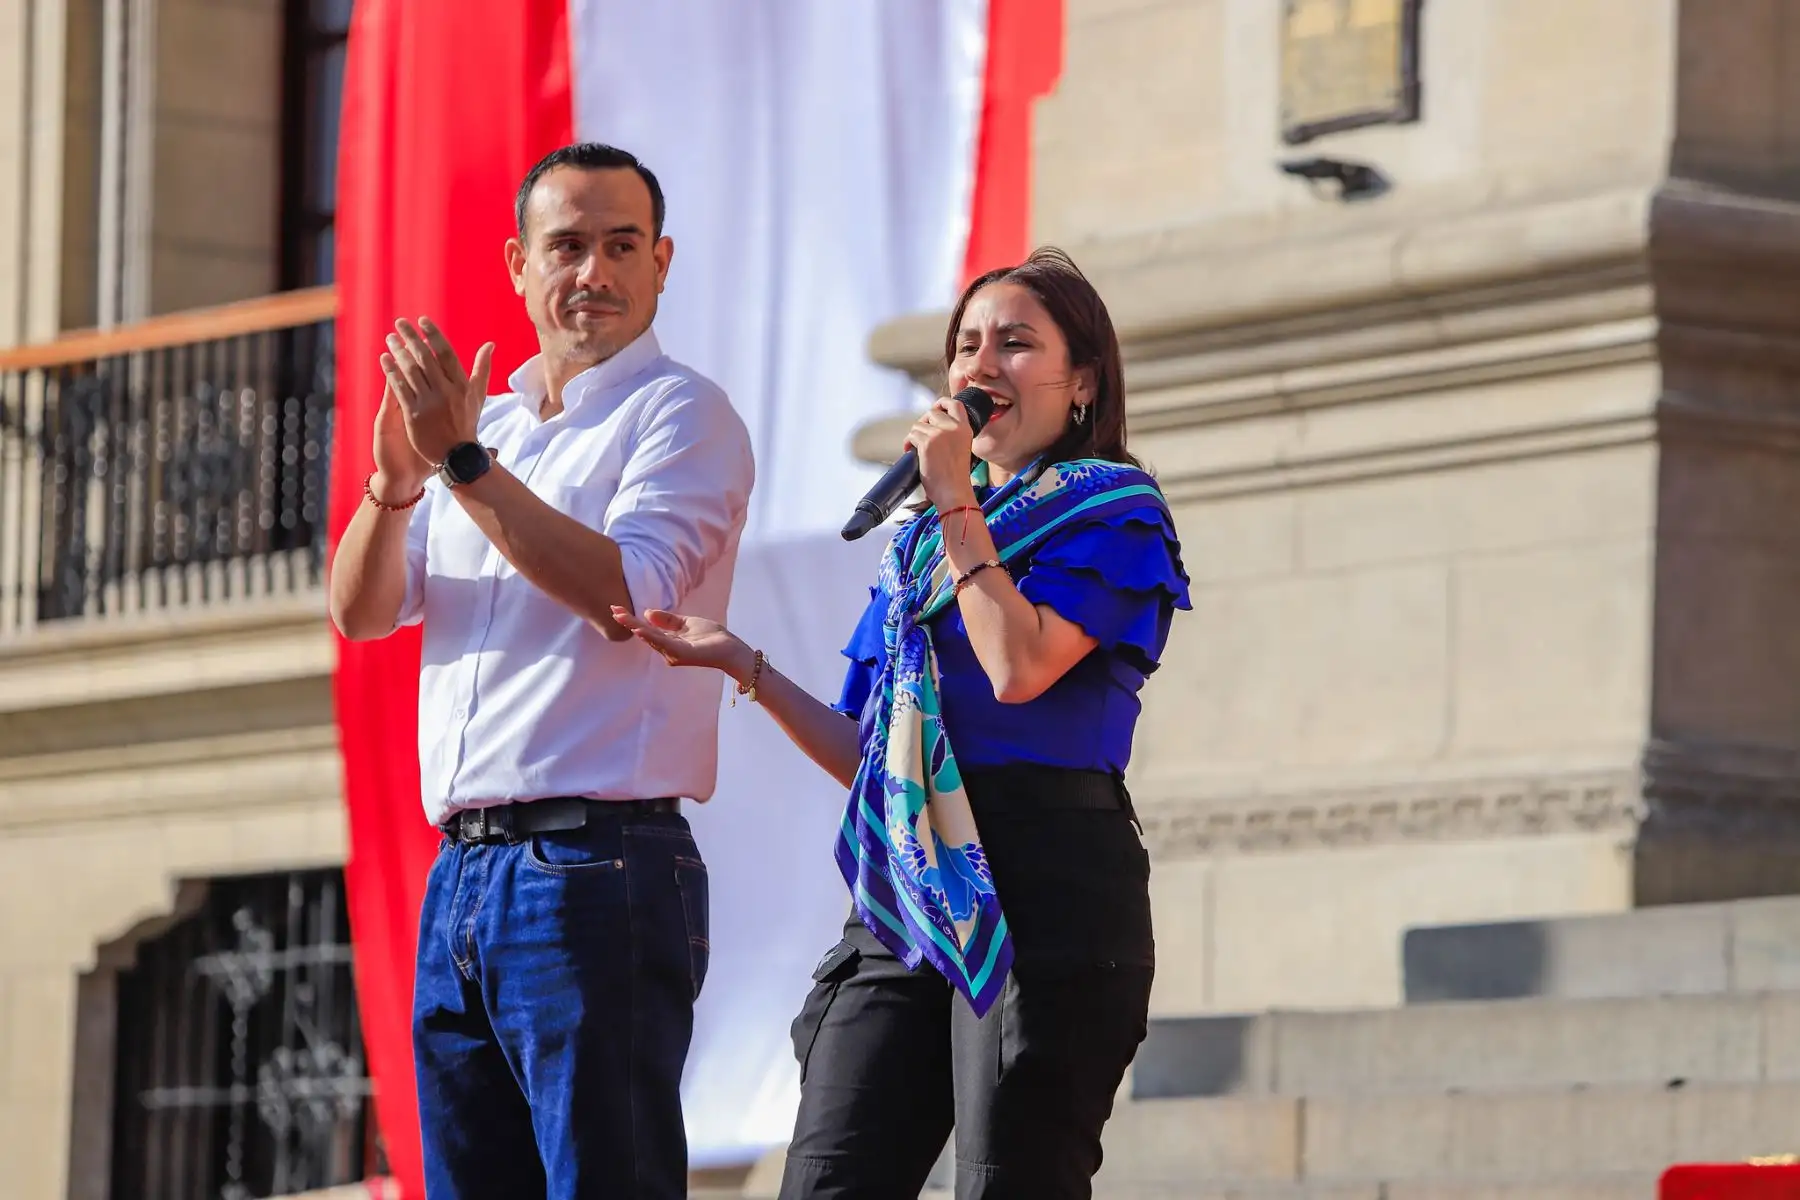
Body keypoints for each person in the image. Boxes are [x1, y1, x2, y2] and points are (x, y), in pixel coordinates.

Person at [614, 246, 1191, 1199]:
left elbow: (1017, 668)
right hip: (911, 890)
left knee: (1010, 1178)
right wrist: (745, 665)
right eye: (966, 346)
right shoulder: (921, 549)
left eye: (1015, 343)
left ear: (1082, 381)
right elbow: (875, 758)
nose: (980, 366)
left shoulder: (1114, 512)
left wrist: (956, 497)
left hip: (1046, 881)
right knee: (830, 1176)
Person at [327, 142, 754, 1199]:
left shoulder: (682, 414)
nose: (593, 273)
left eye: (622, 246)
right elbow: (363, 612)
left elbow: (628, 596)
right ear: (519, 264)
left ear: (661, 264)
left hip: (597, 866)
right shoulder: (491, 427)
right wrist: (394, 483)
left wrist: (463, 467)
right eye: (567, 247)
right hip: (463, 875)